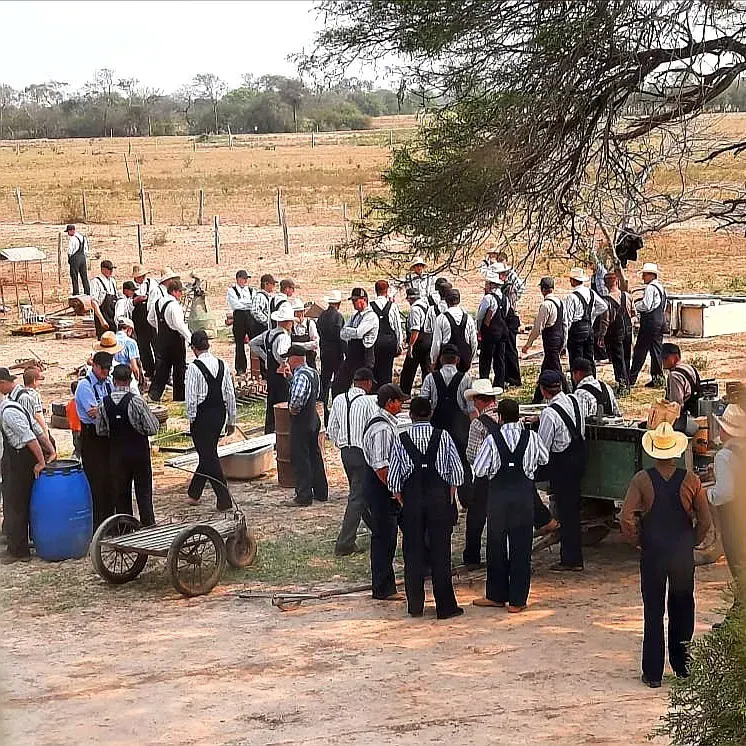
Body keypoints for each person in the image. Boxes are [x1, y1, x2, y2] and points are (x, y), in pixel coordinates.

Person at [619, 422, 711, 687]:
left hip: (653, 552)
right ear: (676, 451)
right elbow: (704, 520)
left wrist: (637, 541)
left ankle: (653, 673)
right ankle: (683, 667)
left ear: (653, 452)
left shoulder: (641, 480)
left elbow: (626, 517)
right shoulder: (691, 480)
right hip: (681, 553)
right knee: (682, 607)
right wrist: (691, 541)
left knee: (654, 610)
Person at [464, 379, 558, 567]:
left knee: (476, 516)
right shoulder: (516, 422)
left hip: (491, 477)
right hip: (518, 477)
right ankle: (542, 522)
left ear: (480, 400)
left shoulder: (478, 424)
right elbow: (541, 457)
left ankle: (473, 556)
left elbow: (472, 455)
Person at [388, 396, 464, 619]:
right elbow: (457, 475)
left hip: (412, 504)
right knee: (441, 555)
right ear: (430, 414)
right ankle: (445, 606)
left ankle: (415, 606)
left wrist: (405, 501)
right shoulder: (444, 437)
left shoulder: (401, 439)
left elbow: (394, 481)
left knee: (412, 555)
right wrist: (447, 497)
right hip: (439, 502)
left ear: (410, 415)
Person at [472, 398, 550, 611]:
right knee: (521, 548)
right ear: (518, 416)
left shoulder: (492, 439)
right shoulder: (531, 437)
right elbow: (544, 459)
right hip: (524, 499)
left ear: (501, 417)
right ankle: (517, 600)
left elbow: (479, 470)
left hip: (498, 499)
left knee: (496, 546)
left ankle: (496, 595)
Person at [0, 368, 54, 563]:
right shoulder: (16, 406)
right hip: (21, 458)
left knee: (15, 505)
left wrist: (41, 460)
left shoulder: (9, 413)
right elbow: (38, 429)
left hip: (20, 459)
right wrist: (50, 449)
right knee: (21, 503)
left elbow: (30, 438)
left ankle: (19, 549)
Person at [536, 369, 587, 572]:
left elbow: (542, 447)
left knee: (567, 513)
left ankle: (571, 559)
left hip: (563, 465)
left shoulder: (549, 413)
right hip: (579, 458)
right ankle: (572, 555)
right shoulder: (574, 400)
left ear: (542, 389)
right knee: (572, 508)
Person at [96, 364, 160, 526]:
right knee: (143, 493)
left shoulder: (104, 403)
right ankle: (149, 528)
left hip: (117, 453)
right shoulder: (137, 401)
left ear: (114, 380)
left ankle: (126, 531)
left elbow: (101, 430)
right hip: (138, 452)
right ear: (130, 379)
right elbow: (152, 428)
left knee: (122, 495)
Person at [361, 383, 406, 601]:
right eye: (399, 401)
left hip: (382, 486)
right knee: (384, 538)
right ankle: (382, 588)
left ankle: (386, 584)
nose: (402, 405)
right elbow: (381, 466)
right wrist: (394, 491)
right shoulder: (382, 429)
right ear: (390, 402)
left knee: (387, 537)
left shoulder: (385, 423)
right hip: (381, 488)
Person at [327, 367, 379, 555]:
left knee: (361, 492)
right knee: (358, 497)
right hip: (362, 453)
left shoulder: (339, 399)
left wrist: (341, 443)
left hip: (346, 453)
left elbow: (331, 429)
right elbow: (375, 428)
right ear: (367, 383)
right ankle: (345, 543)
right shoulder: (369, 401)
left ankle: (376, 528)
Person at [184, 330, 237, 510]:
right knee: (207, 453)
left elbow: (190, 398)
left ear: (193, 348)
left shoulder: (193, 367)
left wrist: (191, 419)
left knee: (208, 456)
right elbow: (230, 394)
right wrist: (231, 419)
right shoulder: (222, 364)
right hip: (219, 413)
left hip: (202, 416)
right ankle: (194, 492)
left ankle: (224, 498)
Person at [421, 344, 474, 511]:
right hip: (459, 427)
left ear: (441, 359)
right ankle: (467, 501)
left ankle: (445, 503)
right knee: (463, 464)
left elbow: (423, 403)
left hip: (437, 427)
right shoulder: (465, 378)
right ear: (457, 360)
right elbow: (470, 407)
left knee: (440, 464)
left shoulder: (430, 378)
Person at [709, 404, 746, 618]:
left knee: (737, 563)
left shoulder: (724, 456)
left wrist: (708, 496)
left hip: (733, 515)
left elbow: (724, 493)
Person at [75, 351, 115, 528]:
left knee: (110, 478)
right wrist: (105, 409)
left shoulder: (108, 383)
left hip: (107, 435)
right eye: (103, 369)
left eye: (108, 369)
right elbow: (92, 414)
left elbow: (109, 407)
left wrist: (102, 409)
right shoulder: (85, 386)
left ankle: (110, 519)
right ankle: (98, 524)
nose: (106, 372)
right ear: (95, 366)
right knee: (96, 480)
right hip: (91, 436)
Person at [286, 345, 329, 507]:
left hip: (302, 421)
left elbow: (297, 399)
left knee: (301, 458)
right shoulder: (312, 372)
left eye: (289, 358)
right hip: (313, 418)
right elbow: (315, 394)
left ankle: (303, 495)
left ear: (294, 358)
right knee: (314, 455)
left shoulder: (301, 376)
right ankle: (321, 491)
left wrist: (292, 409)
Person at [523, 277, 568, 404]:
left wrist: (528, 345)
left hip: (550, 341)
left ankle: (569, 393)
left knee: (556, 368)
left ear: (542, 290)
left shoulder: (546, 305)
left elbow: (538, 328)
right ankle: (537, 397)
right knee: (546, 367)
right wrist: (564, 343)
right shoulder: (560, 303)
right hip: (559, 338)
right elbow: (565, 324)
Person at [250, 303, 293, 433]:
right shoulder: (284, 337)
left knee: (271, 403)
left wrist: (266, 358)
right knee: (283, 404)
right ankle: (283, 431)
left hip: (270, 373)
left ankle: (269, 431)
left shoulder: (268, 334)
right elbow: (281, 353)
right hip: (280, 374)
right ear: (287, 322)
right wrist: (284, 363)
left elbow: (253, 344)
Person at [148, 279, 191, 403]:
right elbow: (179, 325)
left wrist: (159, 328)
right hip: (175, 339)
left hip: (161, 339)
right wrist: (190, 338)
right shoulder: (174, 305)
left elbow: (150, 319)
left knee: (162, 368)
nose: (181, 295)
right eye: (179, 292)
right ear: (174, 292)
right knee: (179, 368)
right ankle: (179, 397)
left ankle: (154, 394)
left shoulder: (157, 302)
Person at [335, 287, 379, 396]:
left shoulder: (371, 316)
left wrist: (350, 331)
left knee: (363, 388)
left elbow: (359, 333)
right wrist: (351, 332)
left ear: (364, 299)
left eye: (356, 300)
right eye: (353, 301)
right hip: (352, 356)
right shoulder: (355, 316)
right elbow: (342, 333)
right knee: (339, 384)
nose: (354, 303)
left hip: (364, 356)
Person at [564, 267, 608, 376]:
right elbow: (603, 306)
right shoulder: (590, 292)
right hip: (588, 328)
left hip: (576, 330)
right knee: (589, 358)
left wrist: (564, 340)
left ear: (573, 281)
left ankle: (578, 386)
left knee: (576, 360)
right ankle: (592, 381)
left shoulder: (571, 297)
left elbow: (568, 320)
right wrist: (591, 316)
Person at [629, 263, 667, 388]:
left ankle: (631, 379)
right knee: (656, 351)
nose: (643, 277)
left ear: (651, 275)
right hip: (659, 321)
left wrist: (635, 307)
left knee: (640, 351)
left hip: (650, 323)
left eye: (645, 275)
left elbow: (647, 305)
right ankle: (658, 379)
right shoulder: (661, 288)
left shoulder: (650, 288)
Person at [430, 289, 478, 373]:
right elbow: (474, 342)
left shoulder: (441, 318)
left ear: (446, 300)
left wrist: (433, 361)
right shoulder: (468, 318)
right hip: (464, 358)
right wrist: (470, 359)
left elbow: (436, 344)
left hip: (446, 360)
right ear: (459, 300)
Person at [603, 271, 635, 394]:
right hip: (628, 330)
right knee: (627, 357)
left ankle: (622, 384)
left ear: (605, 284)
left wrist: (601, 336)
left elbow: (605, 321)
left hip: (614, 333)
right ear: (617, 282)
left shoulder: (606, 300)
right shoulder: (627, 296)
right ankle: (627, 383)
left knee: (618, 359)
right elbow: (634, 314)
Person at [316, 289, 345, 422]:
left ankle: (323, 410)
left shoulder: (322, 316)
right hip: (336, 352)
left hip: (324, 351)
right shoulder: (338, 317)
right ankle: (336, 408)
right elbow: (340, 336)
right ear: (338, 303)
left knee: (325, 381)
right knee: (338, 382)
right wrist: (346, 351)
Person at [476, 272, 509, 387]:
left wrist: (479, 329)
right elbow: (505, 313)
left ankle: (483, 383)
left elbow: (480, 316)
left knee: (485, 359)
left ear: (490, 285)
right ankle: (499, 384)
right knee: (499, 359)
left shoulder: (488, 298)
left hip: (489, 333)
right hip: (502, 331)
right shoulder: (505, 298)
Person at [370, 280, 403, 389]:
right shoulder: (392, 307)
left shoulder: (370, 307)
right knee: (387, 369)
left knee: (374, 370)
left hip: (375, 342)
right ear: (387, 290)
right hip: (389, 342)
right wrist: (399, 344)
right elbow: (397, 327)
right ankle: (386, 393)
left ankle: (375, 393)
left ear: (376, 291)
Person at [496, 261, 524, 387]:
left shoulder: (509, 288)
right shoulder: (502, 288)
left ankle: (514, 378)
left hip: (510, 319)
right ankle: (508, 376)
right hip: (506, 320)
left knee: (511, 349)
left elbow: (510, 307)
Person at [399, 287, 431, 396]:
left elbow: (415, 329)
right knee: (426, 369)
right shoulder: (427, 307)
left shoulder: (414, 309)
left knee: (408, 370)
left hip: (418, 342)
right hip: (428, 340)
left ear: (410, 299)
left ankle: (404, 393)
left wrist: (410, 346)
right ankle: (428, 394)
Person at [662, 343, 701, 430]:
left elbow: (675, 405)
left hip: (684, 419)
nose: (662, 361)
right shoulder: (689, 367)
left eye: (665, 358)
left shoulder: (674, 376)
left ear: (675, 357)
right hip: (695, 411)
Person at [132, 264, 161, 380]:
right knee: (143, 347)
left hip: (150, 318)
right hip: (138, 320)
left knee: (156, 344)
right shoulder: (132, 286)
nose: (141, 278)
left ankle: (159, 370)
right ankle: (149, 370)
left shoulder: (152, 284)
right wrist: (135, 300)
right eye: (139, 276)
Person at [227, 270, 254, 375]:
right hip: (239, 317)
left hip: (250, 317)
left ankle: (255, 366)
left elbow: (253, 303)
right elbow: (236, 305)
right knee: (239, 344)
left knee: (254, 341)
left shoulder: (251, 290)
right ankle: (240, 368)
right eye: (243, 278)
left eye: (246, 279)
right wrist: (248, 304)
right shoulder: (232, 291)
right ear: (238, 279)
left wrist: (245, 304)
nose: (245, 281)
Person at [91, 259, 119, 339]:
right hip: (103, 316)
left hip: (113, 317)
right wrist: (102, 320)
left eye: (112, 269)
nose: (111, 271)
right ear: (103, 269)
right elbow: (94, 303)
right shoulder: (96, 282)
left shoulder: (113, 281)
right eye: (109, 269)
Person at [290, 297, 320, 369]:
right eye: (297, 312)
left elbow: (315, 343)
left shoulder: (310, 324)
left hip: (309, 361)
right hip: (294, 362)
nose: (299, 314)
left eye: (301, 311)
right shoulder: (290, 326)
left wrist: (296, 345)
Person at [249, 273, 277, 338]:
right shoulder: (259, 296)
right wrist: (266, 321)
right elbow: (255, 311)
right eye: (272, 284)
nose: (274, 286)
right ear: (266, 284)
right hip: (260, 328)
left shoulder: (267, 297)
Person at [66, 224, 90, 296]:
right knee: (84, 276)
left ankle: (76, 292)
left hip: (75, 259)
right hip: (83, 258)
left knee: (74, 276)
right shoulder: (82, 237)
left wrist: (70, 258)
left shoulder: (72, 238)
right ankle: (87, 292)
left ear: (71, 231)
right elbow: (86, 250)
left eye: (68, 231)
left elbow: (70, 251)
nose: (68, 233)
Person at [66, 381, 82, 460]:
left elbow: (68, 415)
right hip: (81, 429)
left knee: (77, 448)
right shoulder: (82, 402)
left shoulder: (70, 403)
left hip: (74, 429)